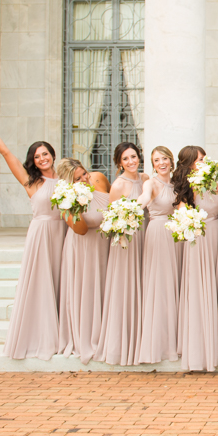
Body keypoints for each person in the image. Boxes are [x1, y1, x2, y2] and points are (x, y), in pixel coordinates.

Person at [0, 111, 65, 361]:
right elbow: (5, 153)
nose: (42, 158)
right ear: (33, 162)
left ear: (53, 155)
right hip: (42, 234)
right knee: (42, 283)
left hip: (65, 233)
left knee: (63, 282)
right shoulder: (30, 181)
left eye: (45, 153)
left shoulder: (66, 177)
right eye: (37, 156)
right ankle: (42, 336)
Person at [95, 142, 148, 366]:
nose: (131, 162)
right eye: (125, 159)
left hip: (146, 236)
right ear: (119, 163)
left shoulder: (146, 179)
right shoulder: (118, 185)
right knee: (127, 287)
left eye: (133, 157)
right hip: (127, 240)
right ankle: (125, 343)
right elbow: (110, 219)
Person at [55, 158, 110, 364]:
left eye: (84, 174)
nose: (84, 180)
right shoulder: (65, 200)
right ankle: (88, 337)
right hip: (84, 249)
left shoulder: (98, 179)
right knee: (88, 291)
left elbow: (115, 201)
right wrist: (74, 204)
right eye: (77, 179)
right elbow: (81, 229)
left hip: (105, 247)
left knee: (106, 290)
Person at [172, 145, 218, 371]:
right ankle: (199, 349)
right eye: (200, 159)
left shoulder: (211, 181)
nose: (203, 162)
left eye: (204, 159)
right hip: (200, 239)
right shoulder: (188, 185)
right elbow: (182, 212)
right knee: (200, 289)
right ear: (190, 163)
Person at [134, 146, 179, 364]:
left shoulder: (176, 184)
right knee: (160, 285)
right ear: (152, 164)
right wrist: (134, 207)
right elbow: (144, 198)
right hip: (158, 234)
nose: (161, 163)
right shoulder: (150, 183)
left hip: (176, 236)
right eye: (156, 160)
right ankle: (158, 342)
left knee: (173, 285)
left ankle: (174, 337)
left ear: (171, 161)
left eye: (165, 159)